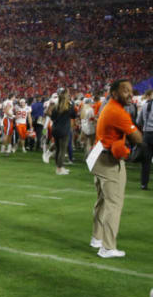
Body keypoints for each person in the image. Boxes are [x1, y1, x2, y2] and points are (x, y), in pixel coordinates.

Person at [89, 79, 143, 258]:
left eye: (130, 90)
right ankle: (107, 247)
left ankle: (97, 238)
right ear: (114, 93)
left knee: (102, 201)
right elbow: (138, 138)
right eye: (125, 90)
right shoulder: (118, 112)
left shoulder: (108, 107)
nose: (130, 93)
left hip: (99, 157)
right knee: (114, 204)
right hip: (109, 161)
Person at [47, 88, 76, 175]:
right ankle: (59, 169)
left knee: (58, 149)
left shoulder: (56, 106)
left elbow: (52, 117)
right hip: (64, 130)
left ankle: (59, 167)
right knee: (62, 150)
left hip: (55, 129)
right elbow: (74, 116)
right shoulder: (69, 106)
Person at [136, 89, 153, 190]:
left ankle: (144, 184)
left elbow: (138, 121)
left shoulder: (145, 105)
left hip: (147, 135)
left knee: (146, 161)